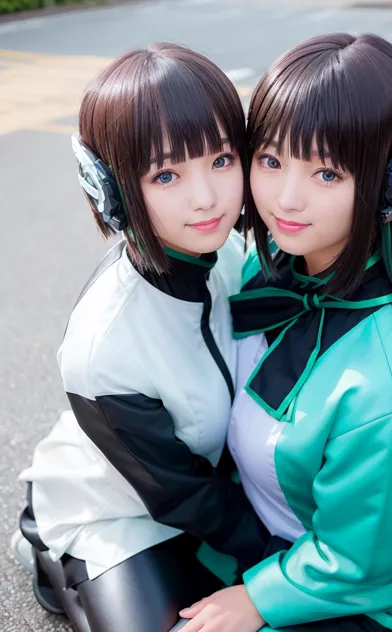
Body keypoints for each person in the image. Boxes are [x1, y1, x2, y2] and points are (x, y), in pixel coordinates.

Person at [177, 33, 392, 632]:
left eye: (327, 173)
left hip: (360, 596)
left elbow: (359, 561)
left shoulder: (382, 386)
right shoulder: (267, 265)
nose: (285, 198)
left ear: (391, 183)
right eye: (271, 161)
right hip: (260, 535)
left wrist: (254, 598)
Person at [12, 42, 270, 632]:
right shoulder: (105, 345)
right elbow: (178, 494)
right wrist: (280, 556)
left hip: (206, 484)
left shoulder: (229, 254)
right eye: (167, 173)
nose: (205, 197)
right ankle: (50, 553)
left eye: (222, 160)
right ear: (112, 186)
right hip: (115, 510)